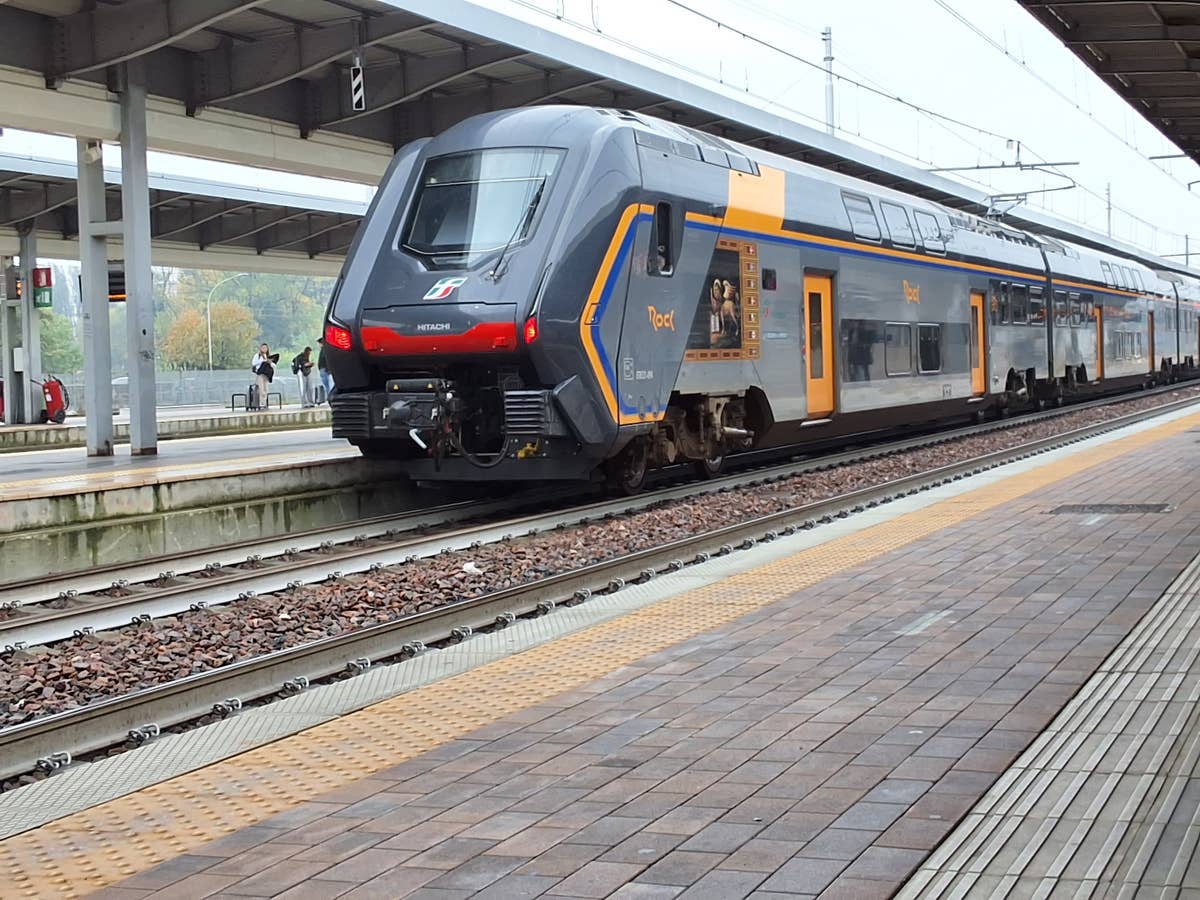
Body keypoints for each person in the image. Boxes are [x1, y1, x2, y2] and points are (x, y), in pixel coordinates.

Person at [250, 342, 278, 410]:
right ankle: (260, 403)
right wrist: (262, 361)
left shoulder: (268, 356)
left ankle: (264, 403)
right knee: (261, 389)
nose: (264, 349)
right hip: (260, 374)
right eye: (263, 347)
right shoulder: (257, 355)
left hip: (266, 374)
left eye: (265, 348)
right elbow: (253, 363)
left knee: (266, 389)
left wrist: (269, 362)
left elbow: (273, 365)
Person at [317, 338, 333, 403]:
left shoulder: (324, 350)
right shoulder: (324, 350)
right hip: (325, 369)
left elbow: (325, 360)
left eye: (319, 343)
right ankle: (329, 397)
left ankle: (330, 397)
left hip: (324, 369)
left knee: (327, 385)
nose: (318, 345)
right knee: (327, 385)